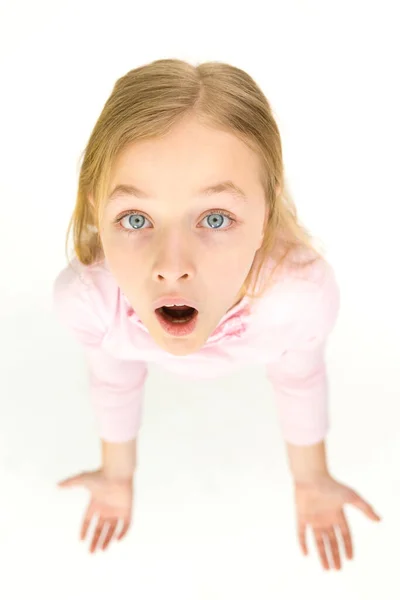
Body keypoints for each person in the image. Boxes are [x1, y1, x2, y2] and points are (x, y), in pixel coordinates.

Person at [54, 58, 380, 568]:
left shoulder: (297, 299)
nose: (172, 267)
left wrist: (312, 479)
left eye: (215, 217)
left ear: (264, 216)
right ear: (97, 212)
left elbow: (298, 378)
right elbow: (116, 378)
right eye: (135, 218)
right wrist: (116, 474)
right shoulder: (89, 301)